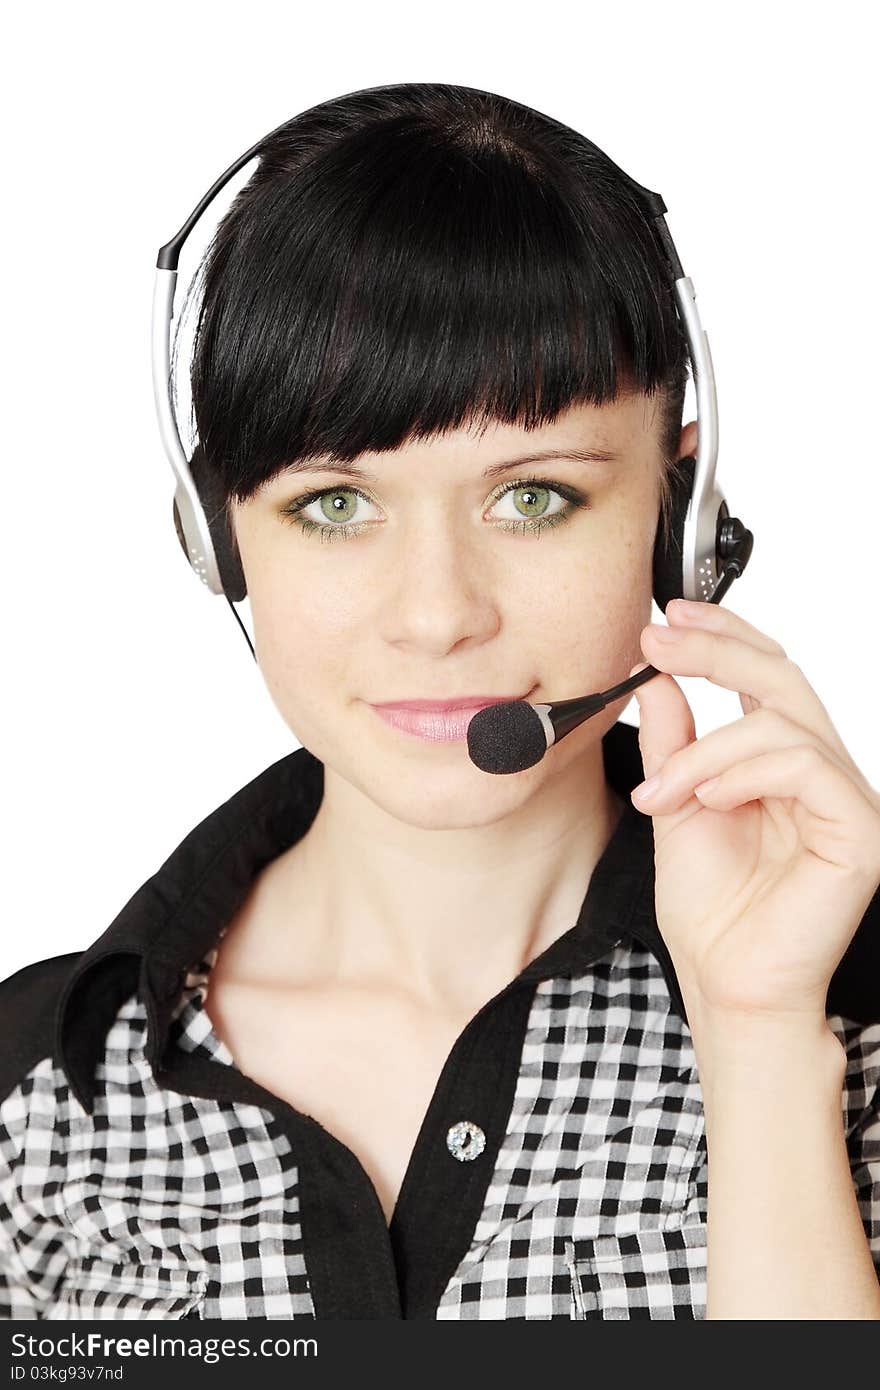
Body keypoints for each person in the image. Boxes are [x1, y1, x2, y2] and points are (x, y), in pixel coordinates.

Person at [1, 82, 878, 1322]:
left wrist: (761, 1036)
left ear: (680, 521)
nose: (435, 613)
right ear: (219, 538)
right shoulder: (37, 1099)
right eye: (335, 505)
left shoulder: (846, 1028)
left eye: (532, 497)